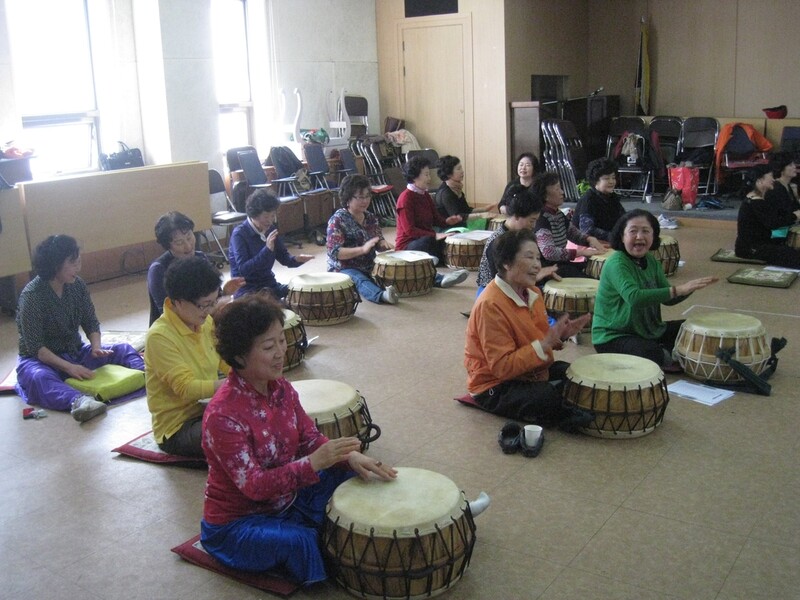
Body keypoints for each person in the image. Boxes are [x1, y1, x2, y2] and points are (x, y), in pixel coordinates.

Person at [200, 294, 397, 585]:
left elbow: (309, 438)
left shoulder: (282, 389)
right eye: (269, 346)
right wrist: (313, 464)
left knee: (356, 482)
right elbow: (254, 486)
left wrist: (348, 457)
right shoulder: (222, 416)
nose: (281, 351)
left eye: (282, 340)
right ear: (240, 355)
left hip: (287, 498)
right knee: (303, 541)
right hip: (237, 521)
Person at [464, 229, 593, 428]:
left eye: (538, 258)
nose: (537, 265)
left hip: (528, 371)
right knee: (545, 396)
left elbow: (538, 338)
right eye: (529, 257)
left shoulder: (532, 292)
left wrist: (561, 335)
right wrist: (544, 344)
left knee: (573, 373)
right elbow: (502, 368)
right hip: (493, 383)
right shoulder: (490, 305)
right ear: (506, 262)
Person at [15, 235, 144, 422]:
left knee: (122, 349)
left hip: (74, 352)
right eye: (73, 263)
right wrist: (70, 368)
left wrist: (96, 347)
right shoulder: (32, 296)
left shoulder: (77, 285)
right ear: (55, 265)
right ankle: (80, 401)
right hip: (41, 361)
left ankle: (147, 377)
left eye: (79, 261)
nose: (78, 267)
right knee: (38, 378)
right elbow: (38, 349)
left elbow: (90, 321)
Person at [593, 209, 718, 370]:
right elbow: (634, 298)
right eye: (633, 231)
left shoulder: (651, 261)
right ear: (622, 237)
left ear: (653, 236)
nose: (639, 236)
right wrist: (678, 289)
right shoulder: (616, 263)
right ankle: (666, 356)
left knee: (693, 328)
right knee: (651, 353)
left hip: (648, 330)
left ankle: (667, 352)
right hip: (613, 336)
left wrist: (690, 288)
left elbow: (668, 300)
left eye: (646, 231)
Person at [145, 257, 231, 457]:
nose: (209, 311)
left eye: (213, 302)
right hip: (178, 427)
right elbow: (186, 387)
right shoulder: (159, 337)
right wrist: (234, 384)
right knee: (236, 429)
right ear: (178, 301)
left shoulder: (204, 321)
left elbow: (221, 360)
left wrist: (247, 373)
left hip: (207, 408)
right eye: (204, 305)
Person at [148, 211, 244, 325]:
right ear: (167, 246)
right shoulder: (158, 270)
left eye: (189, 237)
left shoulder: (200, 257)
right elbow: (171, 314)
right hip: (175, 330)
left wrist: (225, 293)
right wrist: (218, 305)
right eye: (179, 243)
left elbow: (210, 299)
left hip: (202, 325)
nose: (188, 246)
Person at [395, 155, 469, 288]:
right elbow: (409, 231)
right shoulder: (405, 198)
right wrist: (435, 235)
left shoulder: (425, 195)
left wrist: (448, 222)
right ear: (415, 176)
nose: (430, 178)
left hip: (427, 239)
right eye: (426, 174)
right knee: (429, 241)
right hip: (407, 245)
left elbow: (437, 219)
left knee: (454, 234)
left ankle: (434, 264)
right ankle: (436, 275)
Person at [326, 174, 398, 305]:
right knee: (359, 279)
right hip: (344, 268)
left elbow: (378, 240)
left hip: (368, 264)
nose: (365, 201)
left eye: (367, 196)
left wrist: (383, 244)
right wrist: (362, 250)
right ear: (347, 198)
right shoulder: (337, 220)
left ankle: (437, 278)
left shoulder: (370, 217)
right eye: (360, 197)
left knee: (395, 267)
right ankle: (382, 296)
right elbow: (335, 252)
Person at [229, 189, 314, 299]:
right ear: (254, 214)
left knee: (302, 293)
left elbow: (284, 258)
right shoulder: (239, 234)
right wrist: (267, 250)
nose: (270, 221)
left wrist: (297, 259)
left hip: (268, 284)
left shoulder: (271, 230)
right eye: (266, 216)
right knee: (271, 310)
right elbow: (244, 270)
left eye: (273, 216)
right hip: (247, 289)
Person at [475, 185, 558, 295]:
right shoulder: (498, 241)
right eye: (531, 221)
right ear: (517, 216)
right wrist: (536, 275)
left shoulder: (522, 235)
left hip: (516, 284)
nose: (533, 226)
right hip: (493, 292)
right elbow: (501, 280)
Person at [533, 172, 606, 278]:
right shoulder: (542, 219)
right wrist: (581, 252)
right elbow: (549, 252)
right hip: (547, 268)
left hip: (560, 264)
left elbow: (574, 234)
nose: (562, 192)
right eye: (557, 189)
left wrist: (590, 239)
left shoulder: (558, 214)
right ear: (545, 196)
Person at [735, 164, 800, 268]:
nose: (773, 179)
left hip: (762, 241)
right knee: (794, 256)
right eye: (770, 176)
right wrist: (794, 216)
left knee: (789, 247)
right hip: (752, 248)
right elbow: (774, 224)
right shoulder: (755, 201)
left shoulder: (758, 198)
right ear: (759, 181)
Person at [434, 155, 496, 227]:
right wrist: (481, 215)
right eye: (458, 169)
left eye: (461, 168)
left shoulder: (456, 188)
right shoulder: (445, 193)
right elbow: (457, 216)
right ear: (449, 174)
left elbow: (466, 210)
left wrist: (484, 209)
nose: (462, 171)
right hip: (448, 229)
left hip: (459, 225)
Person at [573, 158, 626, 241]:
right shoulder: (589, 199)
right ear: (595, 181)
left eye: (613, 178)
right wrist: (613, 237)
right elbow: (587, 230)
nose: (611, 182)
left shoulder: (612, 197)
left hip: (609, 239)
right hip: (587, 243)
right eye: (606, 179)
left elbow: (624, 219)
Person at [765, 152, 800, 218]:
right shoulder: (776, 188)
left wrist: (797, 197)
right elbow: (783, 214)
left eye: (793, 164)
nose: (794, 167)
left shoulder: (787, 185)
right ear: (781, 168)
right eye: (790, 165)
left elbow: (795, 208)